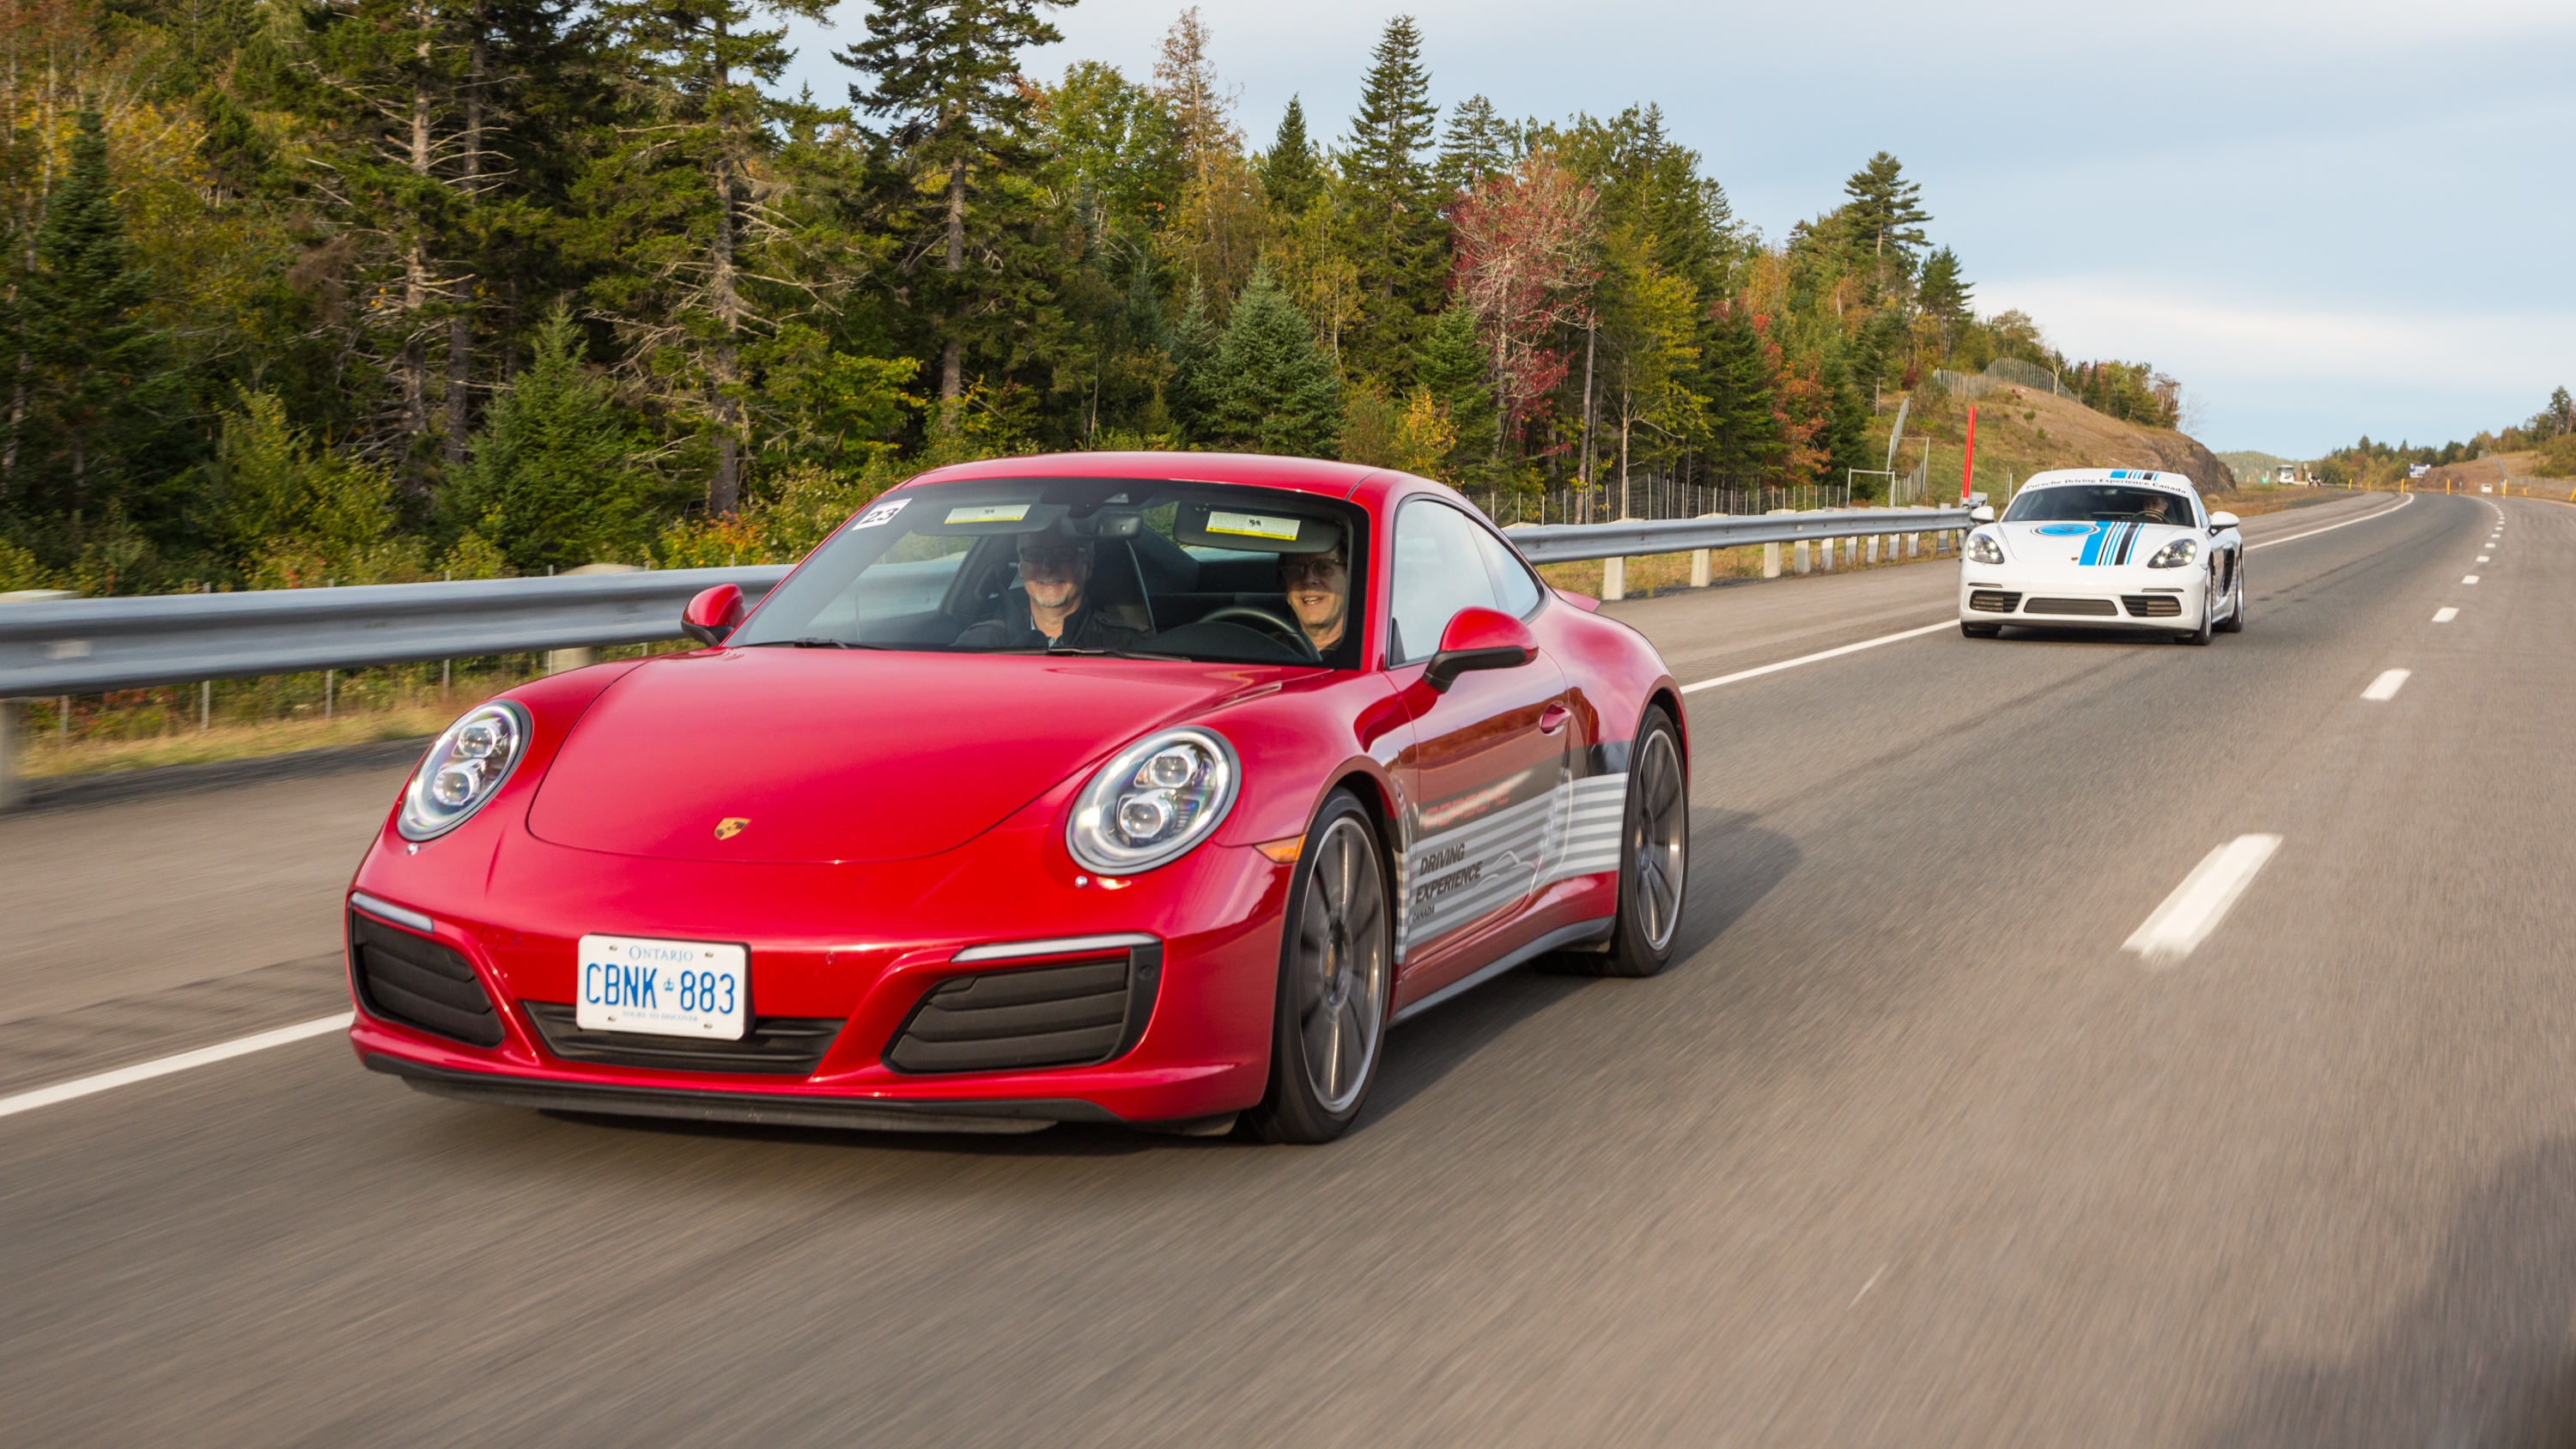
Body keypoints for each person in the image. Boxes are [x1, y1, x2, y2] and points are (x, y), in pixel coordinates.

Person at [953, 525, 1151, 652]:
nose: (1047, 567)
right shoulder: (980, 642)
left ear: (1088, 565)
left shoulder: (1131, 645)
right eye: (1034, 553)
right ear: (1021, 568)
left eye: (1063, 553)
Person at [1279, 538, 1350, 656]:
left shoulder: (1370, 651)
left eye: (1323, 567)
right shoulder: (1263, 649)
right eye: (1295, 569)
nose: (1308, 579)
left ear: (1350, 579)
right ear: (1287, 593)